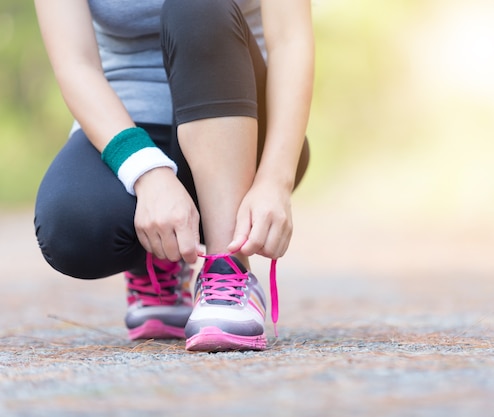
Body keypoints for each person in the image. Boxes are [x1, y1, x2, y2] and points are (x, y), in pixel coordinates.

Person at [33, 0, 313, 352]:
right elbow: (76, 64)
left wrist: (276, 179)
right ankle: (162, 257)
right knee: (73, 228)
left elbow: (291, 41)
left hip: (239, 125)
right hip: (128, 121)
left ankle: (228, 269)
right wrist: (146, 173)